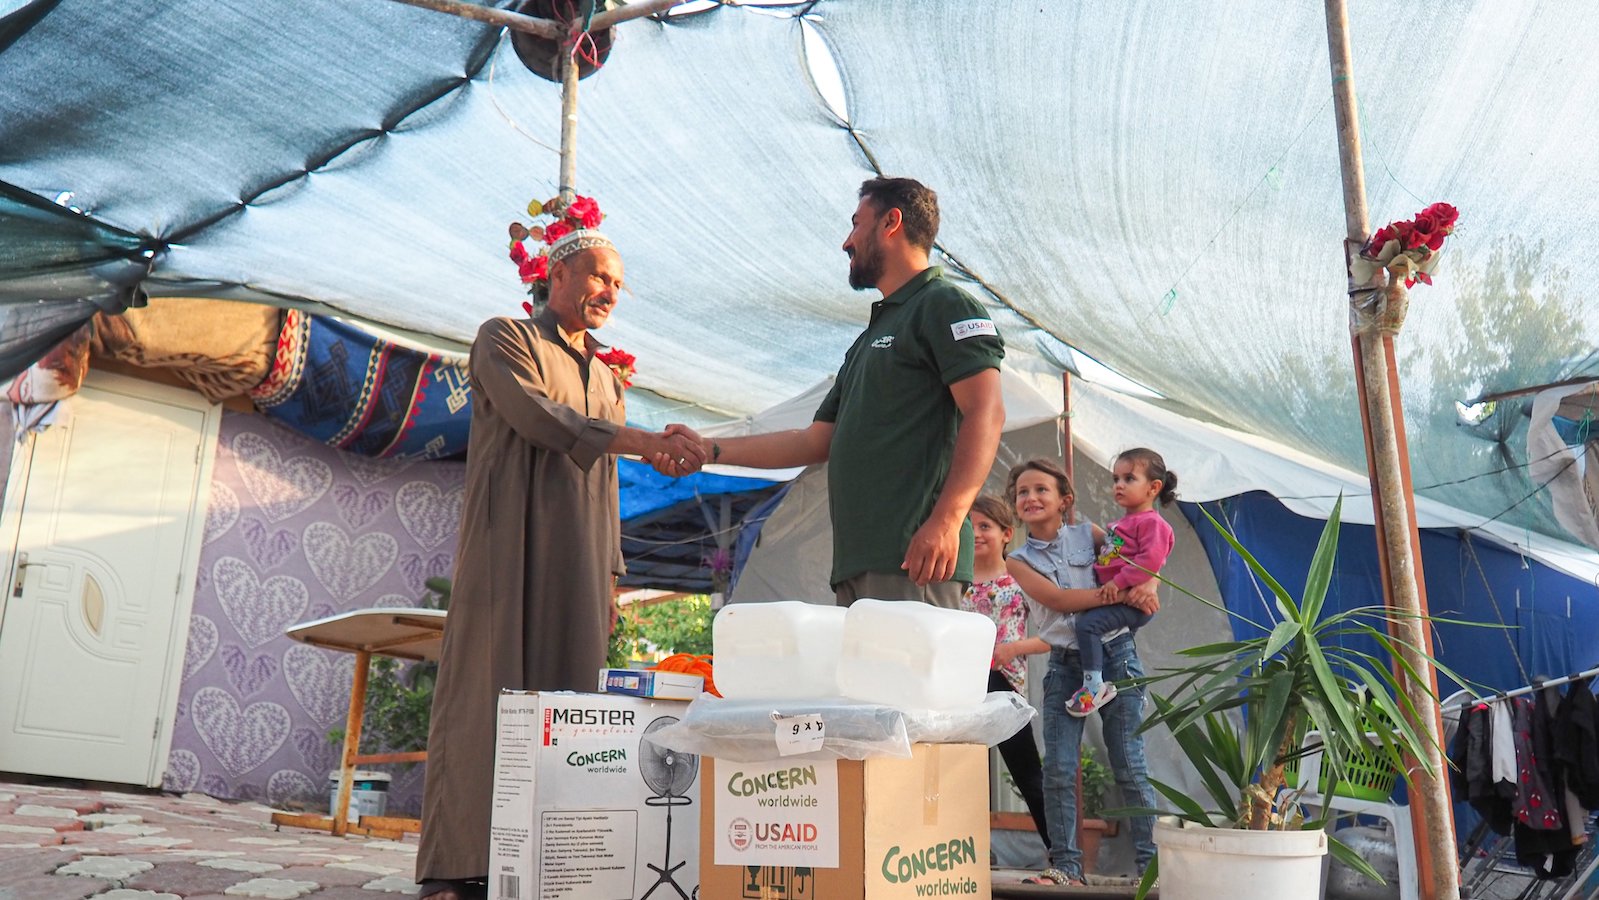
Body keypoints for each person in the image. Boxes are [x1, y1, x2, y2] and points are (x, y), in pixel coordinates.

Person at [415, 225, 706, 900]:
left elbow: (604, 483)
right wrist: (640, 440)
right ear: (559, 274)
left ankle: (548, 869)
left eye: (617, 283)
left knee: (568, 708)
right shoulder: (505, 339)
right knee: (485, 696)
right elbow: (537, 416)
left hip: (580, 557)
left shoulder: (608, 378)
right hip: (506, 543)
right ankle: (457, 868)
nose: (610, 291)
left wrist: (608, 573)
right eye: (600, 275)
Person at [658, 176, 1005, 607]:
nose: (846, 241)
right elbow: (812, 441)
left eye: (857, 223)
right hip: (859, 564)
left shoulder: (945, 303)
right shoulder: (869, 339)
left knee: (904, 677)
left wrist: (947, 521)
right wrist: (708, 450)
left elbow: (986, 413)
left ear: (891, 223)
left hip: (916, 558)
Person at [1002, 458, 1159, 887]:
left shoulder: (1089, 535)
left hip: (1116, 656)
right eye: (1022, 492)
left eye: (1041, 490)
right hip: (1066, 666)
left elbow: (1142, 557)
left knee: (1129, 762)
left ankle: (1152, 869)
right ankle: (1067, 867)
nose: (1031, 497)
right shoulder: (1017, 560)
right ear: (1015, 506)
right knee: (1057, 768)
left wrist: (1149, 585)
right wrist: (1119, 593)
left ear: (1064, 500)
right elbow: (1058, 600)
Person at [964, 494, 1052, 848]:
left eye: (984, 526)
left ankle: (1060, 854)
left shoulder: (1020, 579)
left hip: (1003, 687)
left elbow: (1055, 633)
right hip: (957, 689)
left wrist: (1012, 649)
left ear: (1006, 533)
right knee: (958, 772)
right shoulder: (951, 582)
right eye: (968, 527)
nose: (976, 534)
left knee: (1028, 774)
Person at [1069, 447, 1178, 717]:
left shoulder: (1153, 524)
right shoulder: (1122, 524)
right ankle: (1134, 692)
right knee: (1117, 651)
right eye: (1116, 479)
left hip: (1131, 601)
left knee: (1088, 626)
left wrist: (1118, 583)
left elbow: (1150, 560)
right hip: (1117, 594)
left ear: (1153, 487)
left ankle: (1093, 686)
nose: (1119, 485)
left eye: (1129, 479)